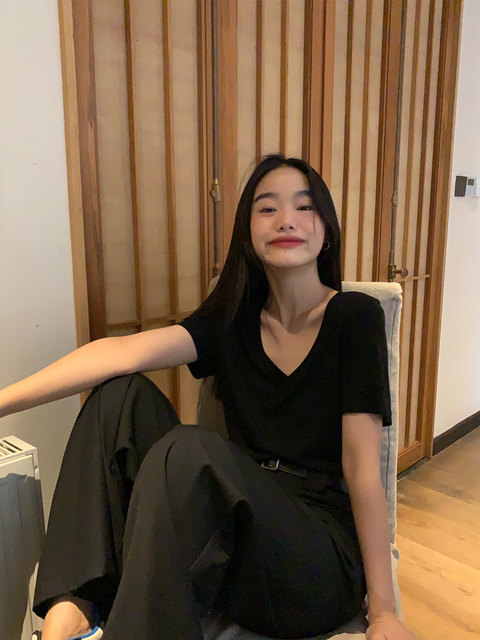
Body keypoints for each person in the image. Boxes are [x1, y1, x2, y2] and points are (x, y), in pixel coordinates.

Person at [0, 155, 417, 640]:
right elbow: (121, 353)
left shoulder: (355, 317)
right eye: (268, 208)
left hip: (314, 558)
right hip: (235, 533)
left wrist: (384, 612)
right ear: (247, 232)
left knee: (190, 449)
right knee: (119, 395)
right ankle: (73, 611)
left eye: (304, 207)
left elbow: (362, 469)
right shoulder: (232, 321)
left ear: (326, 230)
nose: (286, 220)